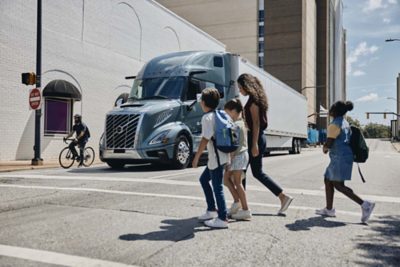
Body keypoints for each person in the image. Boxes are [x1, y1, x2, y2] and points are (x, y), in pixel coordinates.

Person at [237, 73, 293, 214]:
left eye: (240, 87)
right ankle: (282, 197)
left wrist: (254, 144)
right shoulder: (255, 99)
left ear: (246, 86)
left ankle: (241, 205)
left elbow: (256, 124)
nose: (239, 90)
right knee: (252, 172)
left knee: (242, 171)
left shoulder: (253, 101)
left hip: (254, 139)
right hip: (255, 138)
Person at [316, 101, 375, 223]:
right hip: (343, 157)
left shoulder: (334, 125)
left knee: (338, 185)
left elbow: (329, 143)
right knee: (328, 180)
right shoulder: (344, 122)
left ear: (334, 111)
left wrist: (324, 148)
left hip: (340, 158)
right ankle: (329, 209)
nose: (330, 110)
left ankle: (365, 204)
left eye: (331, 108)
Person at [192, 88, 229, 229]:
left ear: (203, 102)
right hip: (221, 156)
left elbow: (205, 139)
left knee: (217, 187)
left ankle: (222, 218)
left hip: (216, 158)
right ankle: (211, 210)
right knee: (203, 180)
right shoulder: (221, 114)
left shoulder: (207, 118)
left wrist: (196, 158)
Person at [223, 99, 251, 220]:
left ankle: (245, 209)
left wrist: (229, 160)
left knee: (236, 183)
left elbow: (234, 145)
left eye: (227, 112)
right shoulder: (241, 123)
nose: (226, 115)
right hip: (242, 155)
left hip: (238, 155)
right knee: (228, 180)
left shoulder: (235, 125)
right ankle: (237, 203)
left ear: (234, 111)